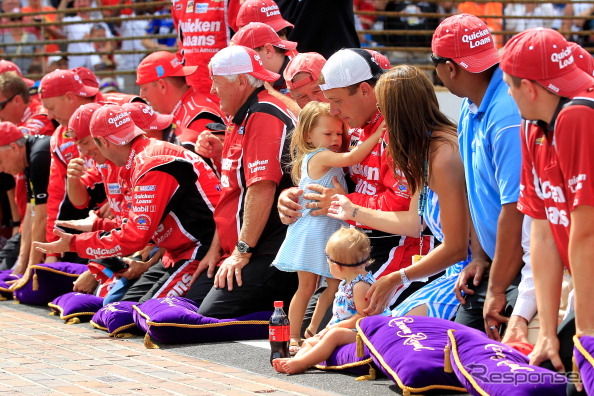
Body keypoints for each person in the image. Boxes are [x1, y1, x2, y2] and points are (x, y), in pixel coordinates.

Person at [277, 49, 426, 331]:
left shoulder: (396, 133)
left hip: (395, 247)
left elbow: (404, 209)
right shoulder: (350, 127)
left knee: (343, 333)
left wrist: (346, 202)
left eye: (335, 101)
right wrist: (293, 195)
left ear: (365, 91)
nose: (332, 110)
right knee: (317, 330)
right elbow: (328, 175)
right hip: (353, 247)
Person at [34, 104, 222, 304]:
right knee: (118, 308)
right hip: (174, 252)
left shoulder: (151, 162)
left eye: (89, 144)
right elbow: (131, 221)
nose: (86, 154)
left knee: (140, 316)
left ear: (102, 142)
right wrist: (96, 226)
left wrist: (75, 244)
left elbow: (134, 237)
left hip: (201, 248)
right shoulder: (133, 162)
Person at [329, 65, 470, 320]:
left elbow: (457, 248)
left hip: (464, 276)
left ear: (398, 112)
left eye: (382, 109)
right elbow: (418, 221)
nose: (380, 118)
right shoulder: (426, 149)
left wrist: (399, 277)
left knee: (378, 334)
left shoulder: (444, 155)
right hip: (453, 273)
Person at [500, 27, 594, 371]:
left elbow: (587, 234)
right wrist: (548, 333)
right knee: (550, 368)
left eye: (509, 86)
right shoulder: (533, 125)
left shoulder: (579, 115)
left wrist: (585, 333)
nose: (507, 94)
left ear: (528, 88)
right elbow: (542, 233)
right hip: (583, 278)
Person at [431, 14, 525, 338]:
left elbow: (515, 208)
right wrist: (480, 257)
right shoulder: (475, 106)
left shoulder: (506, 114)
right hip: (499, 263)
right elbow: (477, 192)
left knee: (502, 374)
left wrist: (497, 288)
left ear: (450, 68)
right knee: (454, 358)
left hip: (524, 269)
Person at [191, 45, 298, 318]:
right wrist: (217, 249)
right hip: (244, 247)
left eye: (216, 83)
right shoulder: (243, 115)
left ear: (240, 81)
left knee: (211, 315)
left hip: (266, 250)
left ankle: (286, 318)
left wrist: (242, 251)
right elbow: (233, 192)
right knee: (192, 300)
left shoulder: (263, 114)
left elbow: (262, 188)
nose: (212, 91)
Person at [273, 101, 383, 354]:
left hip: (330, 230)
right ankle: (292, 336)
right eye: (328, 134)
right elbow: (353, 157)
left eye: (339, 133)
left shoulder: (318, 157)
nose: (335, 139)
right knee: (307, 286)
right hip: (314, 231)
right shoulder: (319, 156)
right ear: (308, 135)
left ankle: (313, 331)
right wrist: (378, 134)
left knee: (333, 286)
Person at [272, 227, 391, 374]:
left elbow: (364, 317)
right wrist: (326, 329)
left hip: (367, 332)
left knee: (334, 335)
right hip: (348, 329)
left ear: (337, 266)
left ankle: (302, 363)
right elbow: (337, 315)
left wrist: (333, 329)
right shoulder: (346, 282)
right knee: (311, 341)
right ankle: (295, 360)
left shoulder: (360, 285)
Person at [136, 51, 225, 152]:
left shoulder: (199, 118)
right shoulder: (181, 109)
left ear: (162, 85)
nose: (142, 96)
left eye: (144, 89)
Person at [0, 122, 50, 275]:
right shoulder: (28, 157)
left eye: (0, 162)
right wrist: (21, 266)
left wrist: (29, 270)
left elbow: (42, 217)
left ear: (14, 147)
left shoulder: (39, 155)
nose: (1, 170)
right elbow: (31, 211)